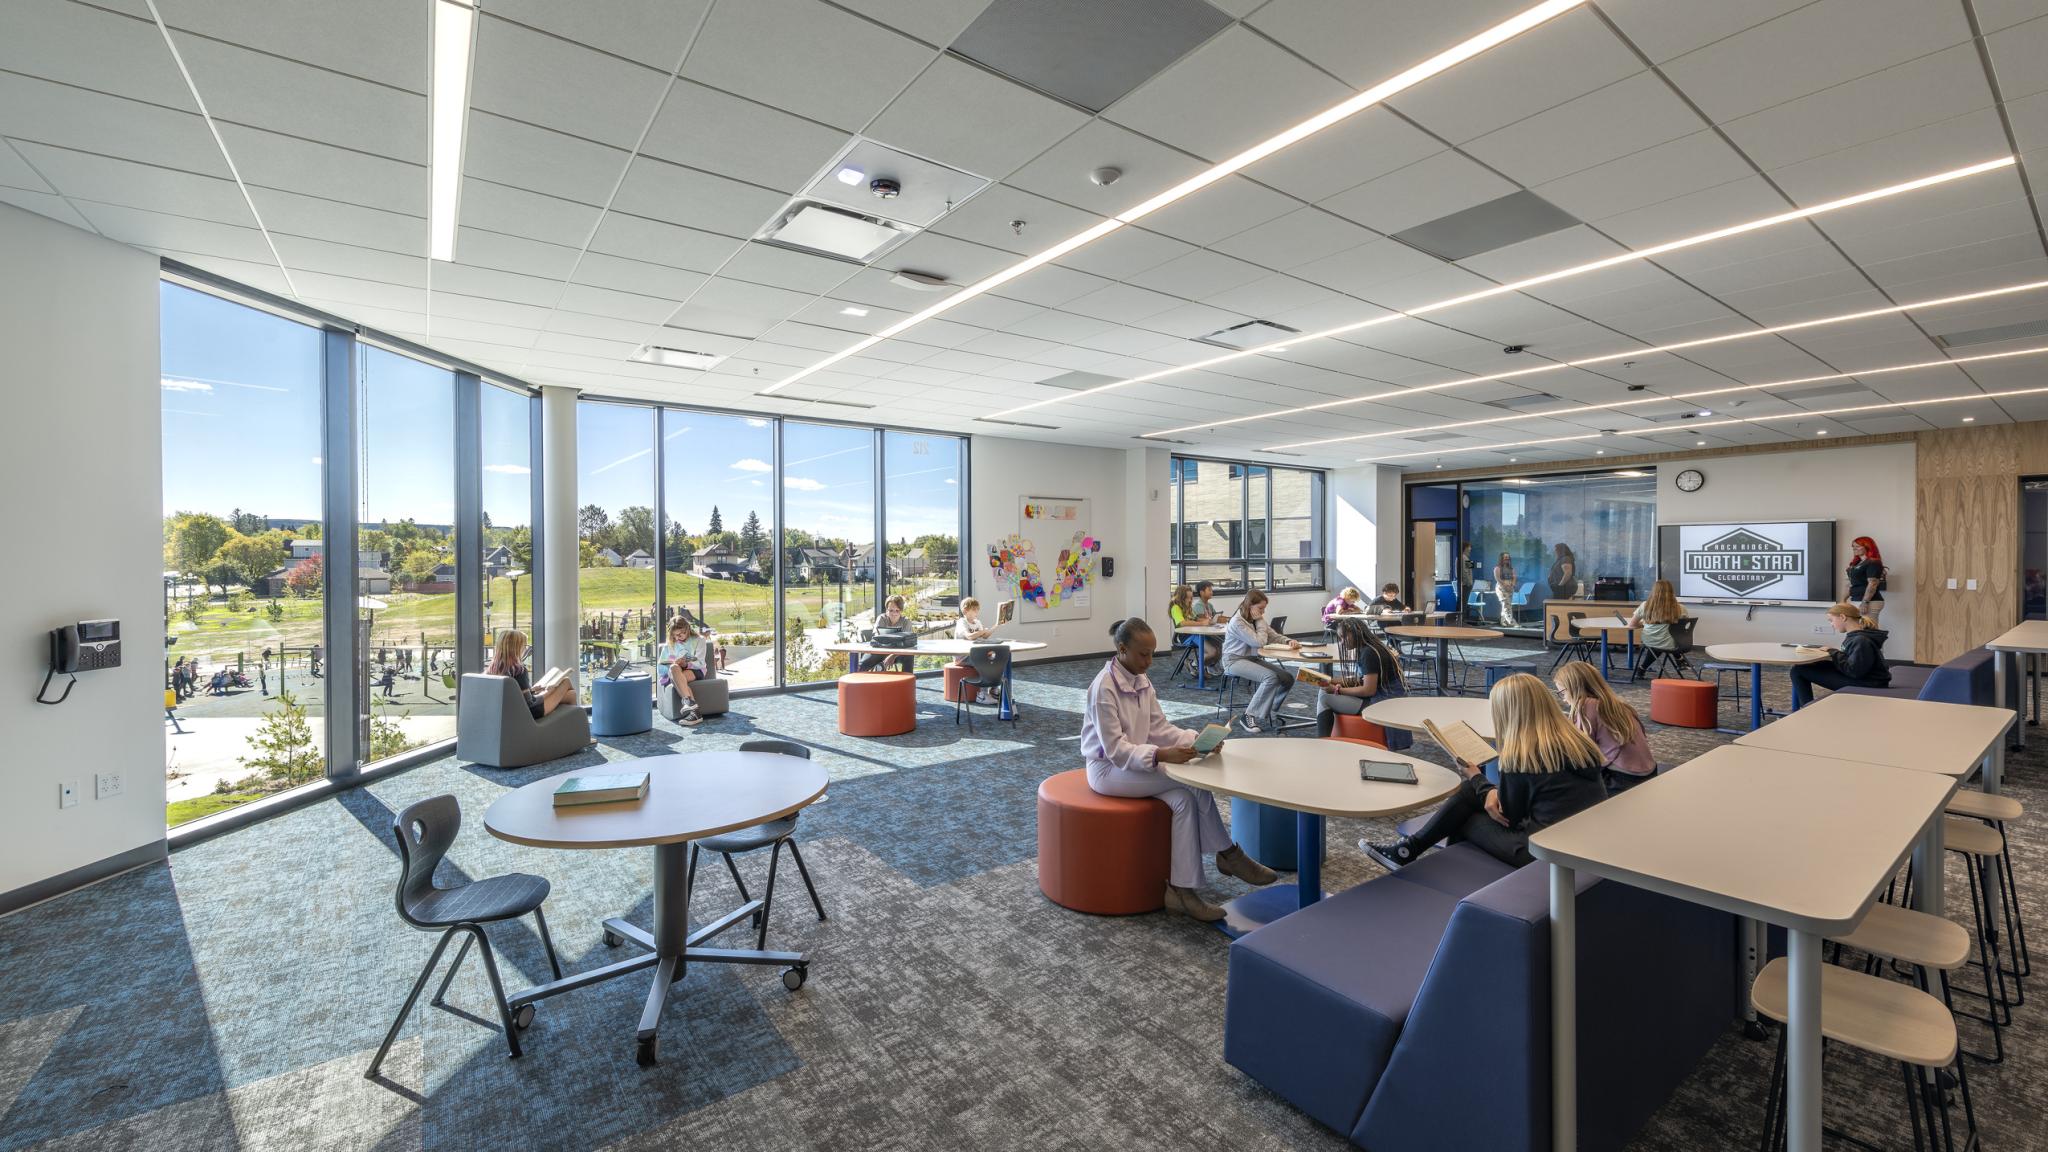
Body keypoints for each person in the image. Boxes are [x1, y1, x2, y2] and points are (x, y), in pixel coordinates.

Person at [1083, 617, 1279, 921]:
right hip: (1107, 771)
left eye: (1152, 653)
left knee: (1184, 800)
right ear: (1121, 649)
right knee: (1188, 783)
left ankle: (1181, 891)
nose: (1149, 661)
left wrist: (1195, 740)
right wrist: (1161, 755)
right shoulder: (1103, 688)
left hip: (1133, 763)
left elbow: (1158, 727)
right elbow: (1116, 750)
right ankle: (1229, 855)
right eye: (1143, 654)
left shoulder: (1140, 679)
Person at [1363, 672, 1607, 870]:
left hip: (1542, 851)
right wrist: (1487, 789)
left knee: (1464, 818)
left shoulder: (1524, 757)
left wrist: (1479, 781)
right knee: (1473, 792)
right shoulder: (1578, 743)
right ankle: (1407, 851)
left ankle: (1429, 867)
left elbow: (1510, 816)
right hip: (1582, 840)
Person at [1554, 660, 1655, 794]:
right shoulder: (1618, 704)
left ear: (1574, 688)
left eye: (1562, 692)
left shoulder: (1585, 705)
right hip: (1650, 773)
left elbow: (1579, 751)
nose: (1564, 699)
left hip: (1622, 780)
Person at [1315, 624, 1413, 751]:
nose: (1342, 642)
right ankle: (1323, 742)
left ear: (1357, 632)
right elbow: (1361, 679)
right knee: (1323, 692)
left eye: (1344, 637)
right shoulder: (1370, 648)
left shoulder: (1368, 654)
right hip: (1383, 696)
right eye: (1340, 638)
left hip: (1382, 701)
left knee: (1325, 699)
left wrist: (1337, 690)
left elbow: (1368, 689)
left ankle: (1322, 744)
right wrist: (1331, 681)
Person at [1224, 588, 1298, 734]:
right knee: (1270, 677)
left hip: (1251, 659)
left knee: (1287, 678)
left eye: (1264, 609)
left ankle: (1271, 711)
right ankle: (1248, 716)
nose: (1263, 612)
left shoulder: (1255, 619)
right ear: (1250, 605)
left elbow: (1273, 636)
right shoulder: (1237, 622)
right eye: (1261, 608)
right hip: (1233, 660)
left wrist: (1288, 641)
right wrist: (1259, 620)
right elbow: (1259, 642)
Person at [1789, 603, 1891, 709]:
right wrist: (1832, 654)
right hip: (1866, 679)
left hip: (1869, 684)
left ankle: (1807, 710)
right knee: (1808, 666)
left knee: (1798, 670)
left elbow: (1854, 671)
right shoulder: (1856, 637)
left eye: (1831, 620)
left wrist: (1834, 653)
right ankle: (1806, 708)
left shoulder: (1860, 640)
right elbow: (1851, 661)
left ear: (1842, 617)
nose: (1832, 625)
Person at [486, 629, 574, 719]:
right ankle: (577, 728)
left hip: (512, 713)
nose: (525, 649)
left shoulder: (492, 670)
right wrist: (549, 691)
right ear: (517, 647)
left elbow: (515, 695)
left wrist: (531, 690)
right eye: (524, 645)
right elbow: (530, 703)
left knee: (569, 694)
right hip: (531, 713)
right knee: (567, 684)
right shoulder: (518, 670)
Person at [1629, 578, 1689, 673]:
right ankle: (1679, 659)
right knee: (1665, 640)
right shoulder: (1681, 608)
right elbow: (1682, 628)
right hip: (1674, 642)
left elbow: (1632, 625)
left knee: (1658, 643)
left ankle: (1642, 669)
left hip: (1652, 640)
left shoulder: (1645, 605)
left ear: (1654, 591)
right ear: (1671, 591)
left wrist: (1644, 623)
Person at [656, 616, 706, 727]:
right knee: (674, 668)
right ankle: (692, 706)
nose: (677, 637)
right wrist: (675, 663)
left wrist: (686, 664)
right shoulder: (670, 644)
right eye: (674, 635)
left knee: (678, 678)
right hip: (676, 671)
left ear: (687, 629)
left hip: (695, 670)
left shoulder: (699, 640)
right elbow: (660, 667)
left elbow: (700, 662)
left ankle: (692, 709)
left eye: (680, 634)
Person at [1169, 583, 1221, 676]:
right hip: (1187, 636)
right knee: (1212, 652)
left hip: (1196, 634)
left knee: (1218, 648)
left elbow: (1195, 618)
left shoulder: (1188, 607)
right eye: (1187, 598)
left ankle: (1199, 667)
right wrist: (1202, 623)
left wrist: (1207, 621)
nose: (1190, 600)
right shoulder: (1175, 608)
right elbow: (1182, 623)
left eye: (1191, 598)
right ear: (1181, 598)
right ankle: (1195, 665)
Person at [951, 596, 994, 703]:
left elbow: (985, 636)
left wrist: (997, 625)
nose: (976, 612)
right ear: (965, 610)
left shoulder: (977, 622)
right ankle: (982, 695)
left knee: (994, 658)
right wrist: (981, 631)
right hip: (962, 657)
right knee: (985, 662)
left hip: (974, 654)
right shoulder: (962, 622)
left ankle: (994, 689)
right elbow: (969, 636)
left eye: (977, 609)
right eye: (974, 609)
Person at [857, 596, 916, 673]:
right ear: (886, 610)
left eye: (897, 610)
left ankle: (907, 682)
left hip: (898, 653)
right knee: (862, 664)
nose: (894, 613)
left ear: (901, 610)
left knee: (909, 656)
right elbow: (876, 636)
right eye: (891, 610)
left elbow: (907, 644)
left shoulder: (906, 622)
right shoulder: (881, 618)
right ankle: (858, 683)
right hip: (880, 651)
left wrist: (892, 655)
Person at [1846, 536, 1888, 628]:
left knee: (1868, 631)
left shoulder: (1873, 562)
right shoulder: (1856, 564)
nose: (1854, 548)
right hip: (1856, 600)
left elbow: (1873, 583)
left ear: (1867, 546)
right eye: (1853, 546)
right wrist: (1843, 600)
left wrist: (1865, 602)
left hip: (1869, 602)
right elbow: (1850, 584)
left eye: (1857, 546)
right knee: (1859, 630)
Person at [1493, 552, 1519, 626]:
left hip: (1510, 588)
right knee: (1506, 604)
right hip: (1501, 589)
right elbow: (1498, 578)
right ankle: (1511, 622)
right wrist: (1505, 585)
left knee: (1507, 604)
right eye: (1505, 557)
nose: (1507, 558)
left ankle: (1503, 621)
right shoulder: (1497, 568)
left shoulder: (1511, 569)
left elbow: (1514, 577)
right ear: (1501, 558)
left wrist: (1512, 585)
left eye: (1508, 557)